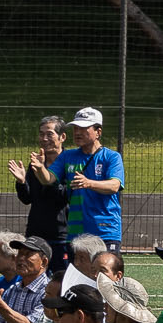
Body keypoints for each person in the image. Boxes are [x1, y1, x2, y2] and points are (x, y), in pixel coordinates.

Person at [48, 107, 125, 249]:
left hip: (105, 232)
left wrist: (88, 183)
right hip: (76, 234)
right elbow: (48, 178)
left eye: (83, 128)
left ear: (98, 132)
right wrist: (39, 169)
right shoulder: (67, 156)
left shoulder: (112, 157)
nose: (77, 132)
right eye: (75, 128)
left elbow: (114, 186)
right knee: (75, 272)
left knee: (105, 271)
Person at [10, 115, 70, 250]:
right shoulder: (35, 164)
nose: (44, 139)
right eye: (41, 134)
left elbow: (64, 197)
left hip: (62, 235)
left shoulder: (69, 163)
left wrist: (45, 174)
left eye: (49, 134)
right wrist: (22, 182)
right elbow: (27, 198)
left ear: (62, 137)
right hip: (35, 234)